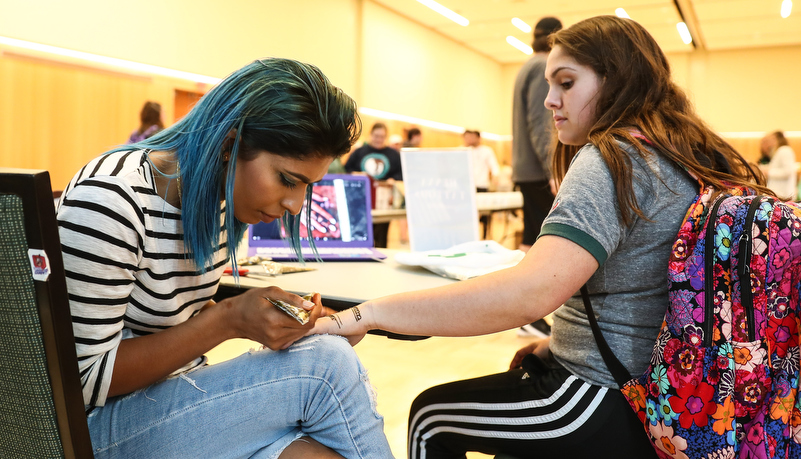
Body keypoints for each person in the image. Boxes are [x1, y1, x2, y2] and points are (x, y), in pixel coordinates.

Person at [311, 16, 770, 459]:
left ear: (616, 81)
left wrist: (368, 313)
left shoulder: (611, 157)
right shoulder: (683, 158)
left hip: (599, 392)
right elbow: (646, 290)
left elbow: (528, 294)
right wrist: (553, 343)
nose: (550, 99)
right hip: (669, 393)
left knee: (431, 417)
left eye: (566, 83)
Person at [57, 58, 393, 459]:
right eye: (288, 180)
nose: (294, 204)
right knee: (326, 367)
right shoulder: (111, 199)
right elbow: (82, 380)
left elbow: (165, 318)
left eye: (308, 187)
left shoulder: (216, 203)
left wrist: (277, 320)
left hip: (163, 399)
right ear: (230, 145)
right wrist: (229, 318)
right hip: (88, 429)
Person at [511, 17, 562, 253]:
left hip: (526, 168)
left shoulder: (527, 66)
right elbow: (541, 123)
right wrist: (553, 170)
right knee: (543, 244)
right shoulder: (543, 66)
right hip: (538, 170)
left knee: (530, 239)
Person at [760, 130, 797, 200]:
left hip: (784, 194)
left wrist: (768, 172)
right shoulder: (778, 151)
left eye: (772, 139)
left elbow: (787, 171)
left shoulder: (784, 150)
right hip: (779, 193)